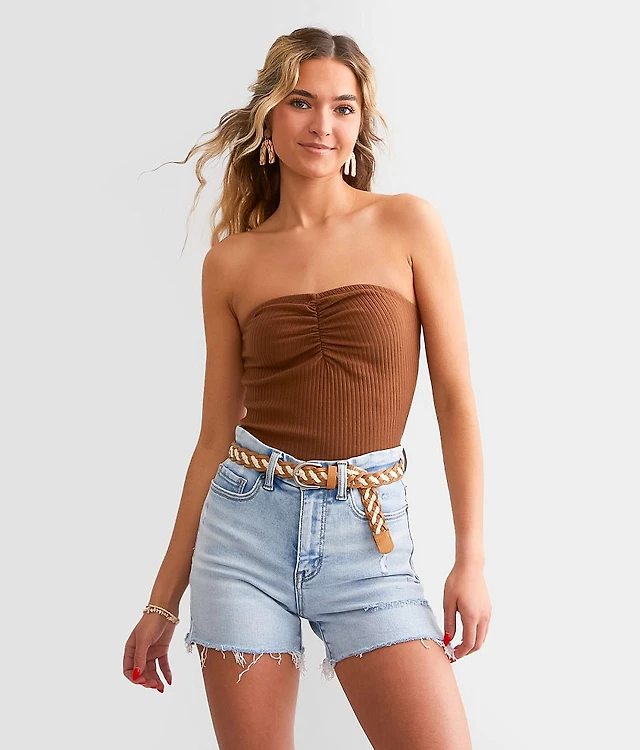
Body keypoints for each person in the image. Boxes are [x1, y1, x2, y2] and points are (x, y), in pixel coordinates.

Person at [123, 25, 490, 750]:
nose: (323, 124)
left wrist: (471, 560)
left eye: (343, 107)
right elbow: (213, 439)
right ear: (268, 118)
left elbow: (455, 399)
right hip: (244, 534)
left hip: (368, 535)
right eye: (301, 102)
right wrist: (161, 603)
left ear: (359, 123)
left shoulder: (406, 223)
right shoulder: (231, 264)